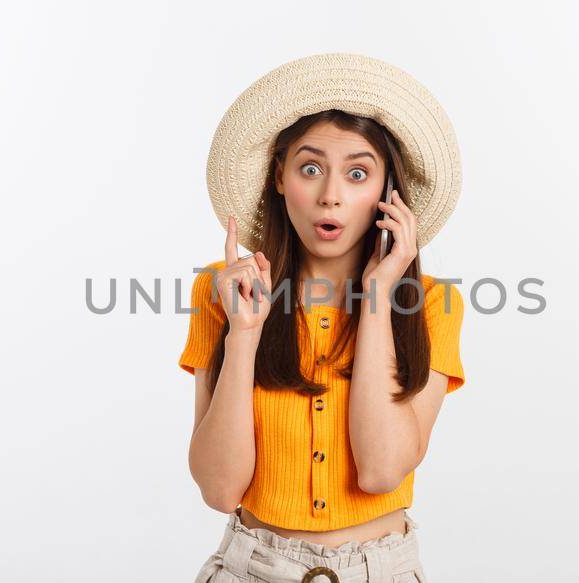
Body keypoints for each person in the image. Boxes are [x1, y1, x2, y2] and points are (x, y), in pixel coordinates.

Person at [180, 53, 467, 583]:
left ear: (387, 194)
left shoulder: (432, 304)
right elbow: (219, 491)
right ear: (280, 178)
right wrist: (245, 334)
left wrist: (378, 301)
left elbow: (382, 471)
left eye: (358, 173)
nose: (330, 195)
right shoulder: (224, 290)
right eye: (310, 168)